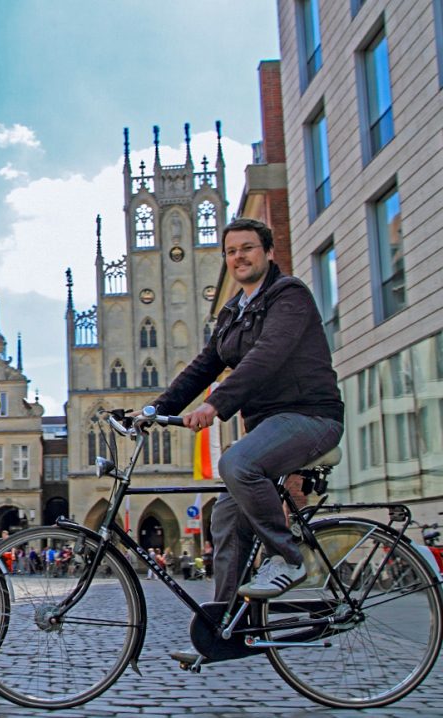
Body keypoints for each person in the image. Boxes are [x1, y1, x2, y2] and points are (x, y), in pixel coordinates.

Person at [152, 218, 343, 603]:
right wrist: (153, 409)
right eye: (231, 251)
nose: (239, 256)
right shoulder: (232, 313)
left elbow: (266, 356)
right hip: (269, 427)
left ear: (268, 252)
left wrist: (215, 404)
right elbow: (203, 366)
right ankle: (223, 629)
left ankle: (287, 559)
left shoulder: (289, 296)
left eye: (248, 247)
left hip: (311, 418)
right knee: (225, 518)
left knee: (237, 464)